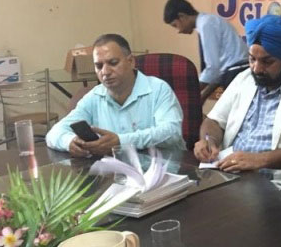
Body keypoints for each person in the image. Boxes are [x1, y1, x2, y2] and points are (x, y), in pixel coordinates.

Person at [194, 15, 281, 219]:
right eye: (252, 58)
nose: (256, 68)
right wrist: (209, 141)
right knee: (190, 206)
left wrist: (259, 160)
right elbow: (214, 121)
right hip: (232, 177)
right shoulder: (244, 79)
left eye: (267, 61)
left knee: (230, 220)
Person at [46, 34, 185, 156]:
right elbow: (54, 133)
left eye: (113, 63)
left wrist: (120, 141)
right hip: (119, 175)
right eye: (99, 66)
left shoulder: (158, 89)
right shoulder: (94, 96)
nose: (105, 72)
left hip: (165, 170)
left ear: (131, 61)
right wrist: (70, 142)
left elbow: (171, 133)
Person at [163, 0, 248, 103]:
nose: (178, 31)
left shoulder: (206, 24)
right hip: (234, 73)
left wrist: (188, 96)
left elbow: (213, 68)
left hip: (236, 74)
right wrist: (202, 97)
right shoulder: (207, 22)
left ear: (182, 16)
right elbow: (218, 73)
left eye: (175, 25)